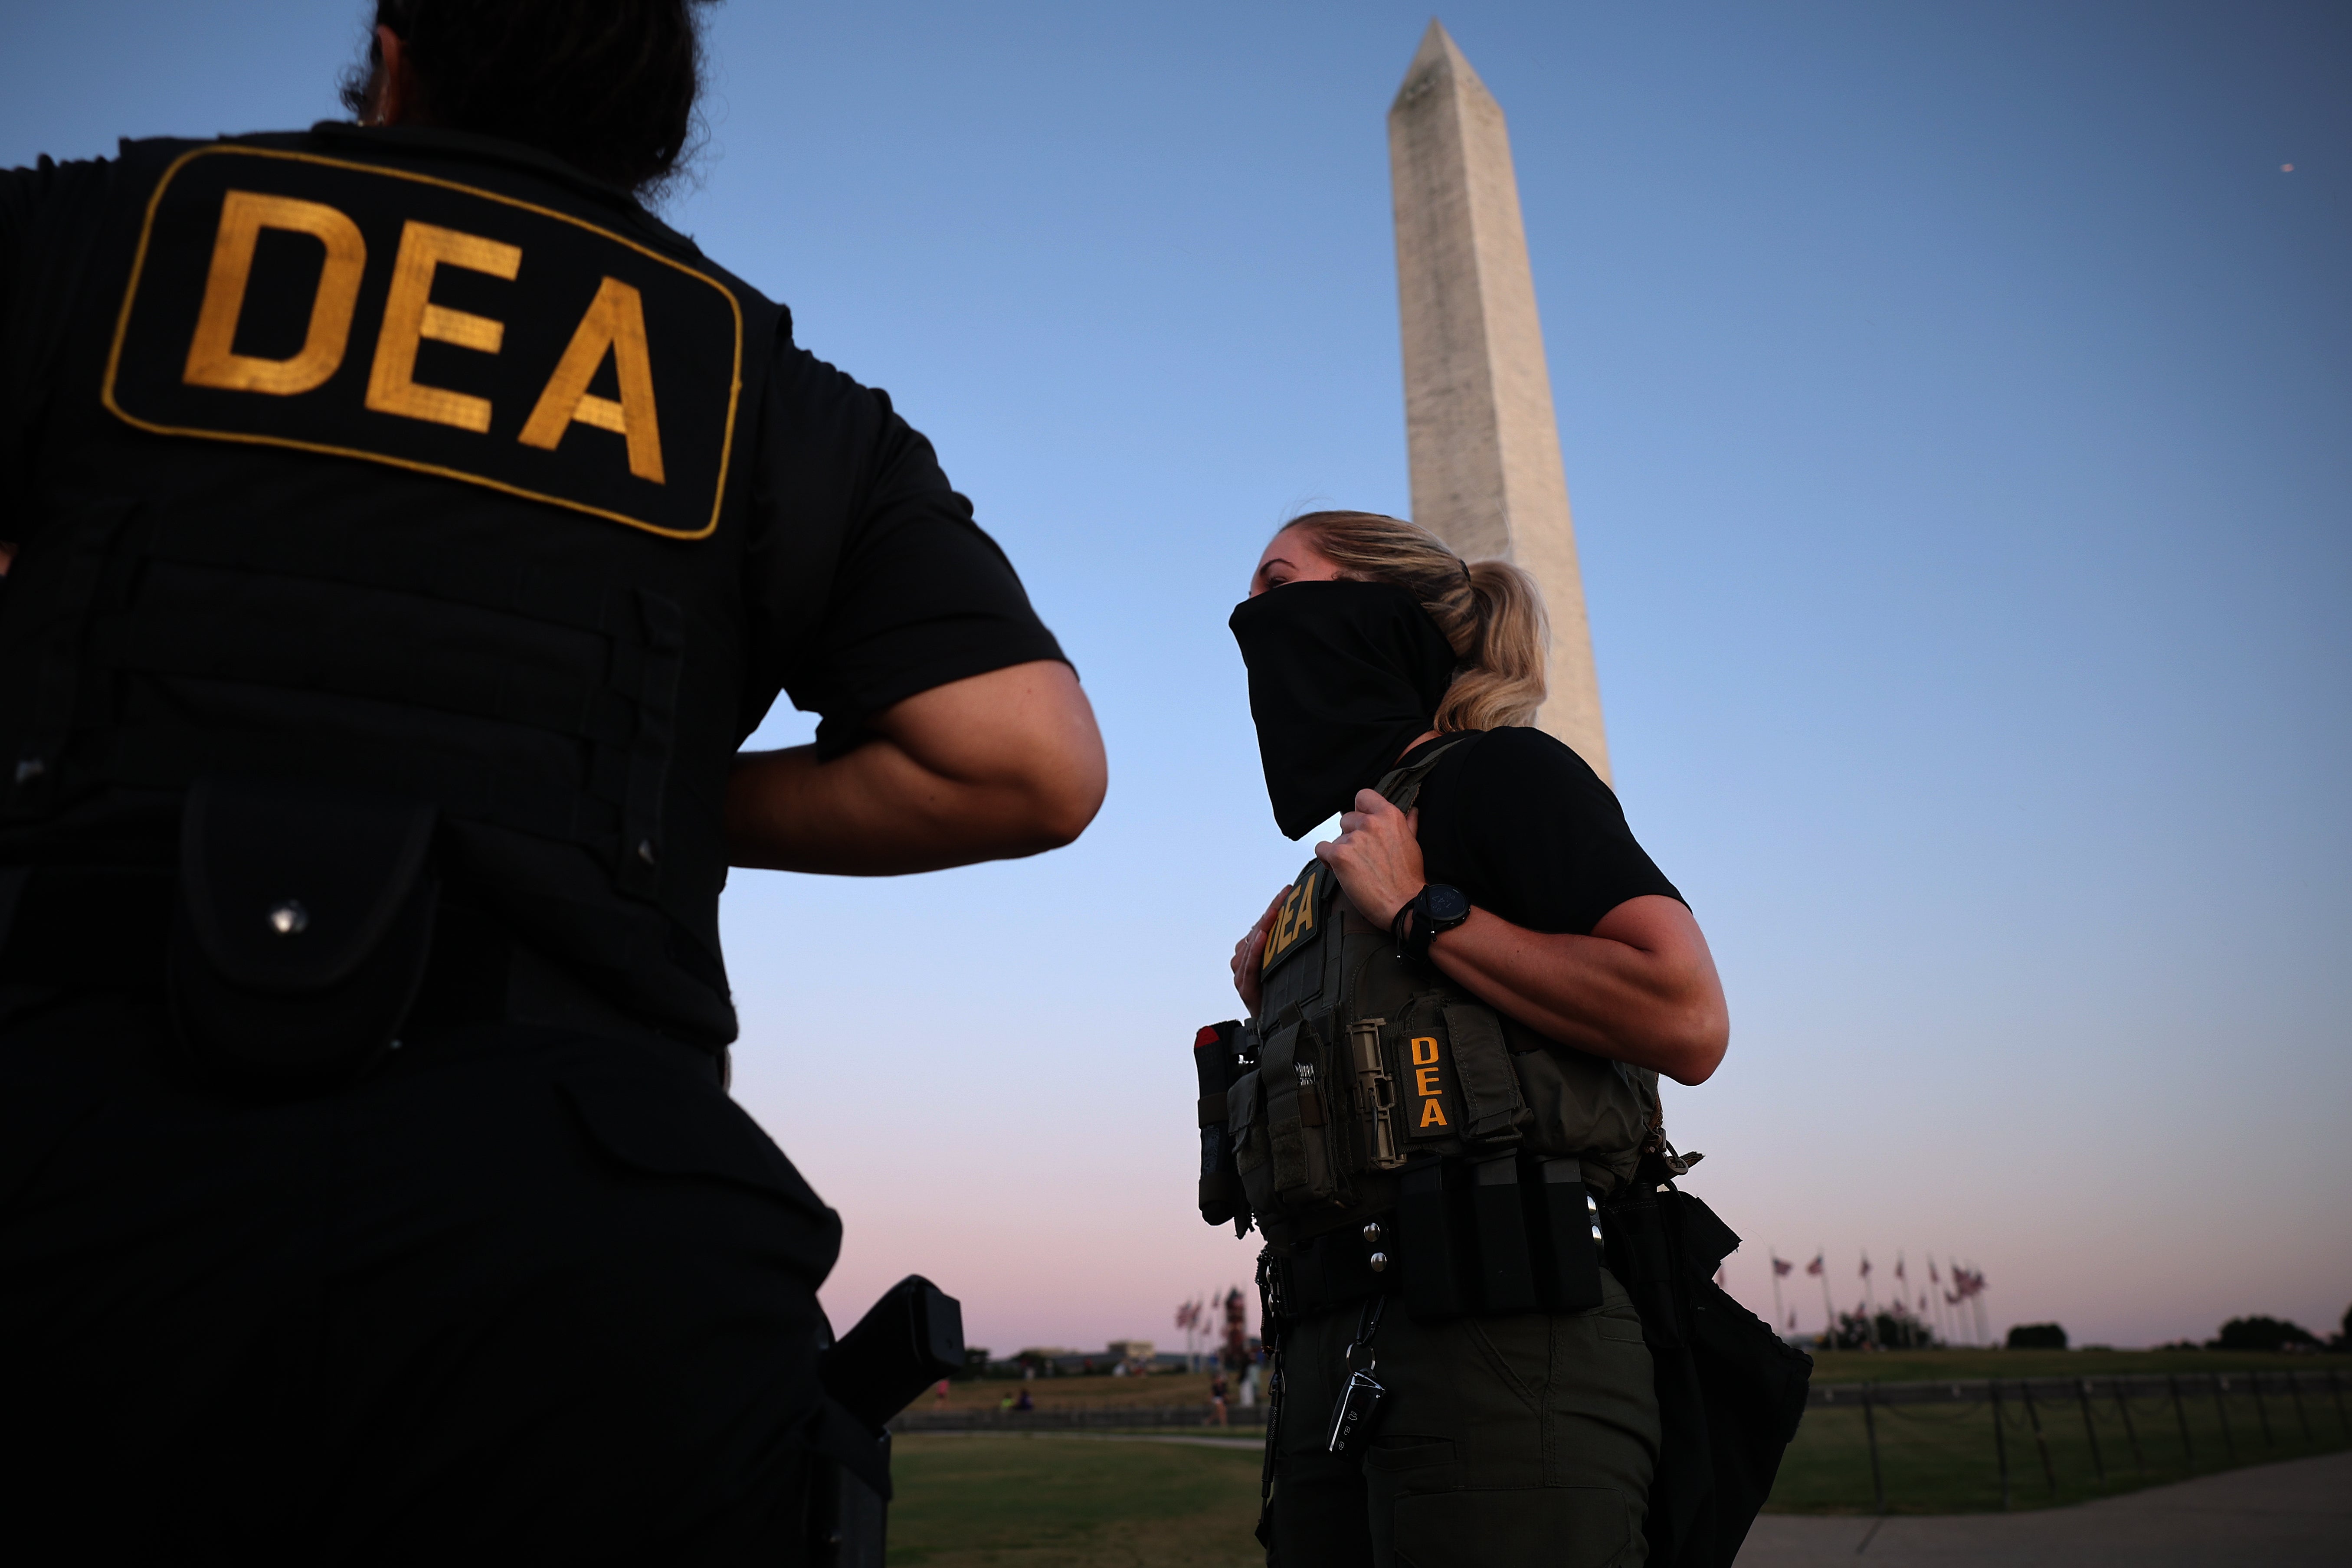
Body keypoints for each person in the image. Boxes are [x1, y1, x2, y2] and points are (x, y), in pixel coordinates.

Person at [0, 2, 1105, 1560]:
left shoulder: (114, 232)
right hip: (584, 1250)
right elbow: (1030, 762)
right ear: (653, 134)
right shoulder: (755, 380)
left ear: (393, 58)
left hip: (82, 1166)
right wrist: (637, 793)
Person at [1222, 512, 1727, 1566]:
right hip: (1328, 1356)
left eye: (1280, 585)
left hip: (1503, 1344)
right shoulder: (1334, 871)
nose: (1249, 621)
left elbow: (1684, 1011)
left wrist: (1420, 912)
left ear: (1380, 616)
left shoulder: (1500, 776)